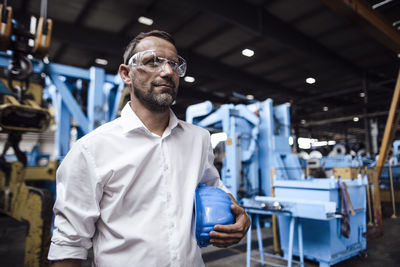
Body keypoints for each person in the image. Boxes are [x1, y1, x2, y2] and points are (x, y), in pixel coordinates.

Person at [48, 30, 250, 267]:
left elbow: (212, 186)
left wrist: (238, 214)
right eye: (153, 61)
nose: (167, 72)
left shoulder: (199, 139)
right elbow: (69, 243)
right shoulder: (91, 149)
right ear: (126, 74)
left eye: (174, 65)